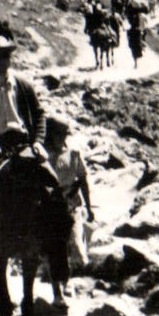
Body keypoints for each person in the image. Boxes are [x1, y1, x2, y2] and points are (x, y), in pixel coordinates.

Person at [44, 117, 94, 290]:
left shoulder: (73, 154)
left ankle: (66, 278)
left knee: (76, 247)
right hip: (51, 206)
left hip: (71, 204)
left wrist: (88, 206)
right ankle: (58, 285)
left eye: (64, 135)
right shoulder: (44, 156)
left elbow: (83, 179)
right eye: (59, 135)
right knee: (54, 246)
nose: (63, 138)